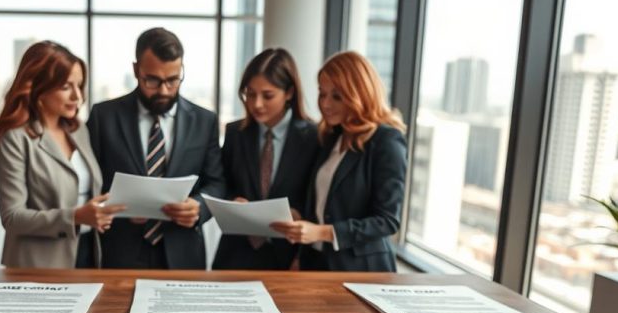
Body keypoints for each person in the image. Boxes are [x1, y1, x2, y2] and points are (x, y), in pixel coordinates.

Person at [88, 27, 225, 269]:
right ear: (136, 70)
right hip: (120, 251)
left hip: (183, 252)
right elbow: (90, 182)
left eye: (173, 80)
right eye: (152, 80)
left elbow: (217, 182)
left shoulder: (205, 121)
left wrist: (198, 208)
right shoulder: (104, 116)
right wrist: (114, 208)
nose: (163, 90)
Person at [270, 51, 407, 272]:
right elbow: (325, 205)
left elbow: (387, 220)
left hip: (362, 270)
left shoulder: (386, 140)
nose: (325, 104)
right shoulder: (331, 137)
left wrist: (322, 232)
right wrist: (300, 219)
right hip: (316, 264)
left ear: (359, 94)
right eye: (322, 94)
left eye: (336, 96)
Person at [0, 41, 124, 269]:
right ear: (38, 88)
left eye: (79, 85)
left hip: (87, 253)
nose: (77, 96)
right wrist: (75, 216)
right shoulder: (16, 138)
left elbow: (87, 191)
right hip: (38, 264)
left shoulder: (78, 130)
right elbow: (12, 218)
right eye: (65, 87)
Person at [212, 48, 319, 270]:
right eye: (250, 94)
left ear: (289, 92)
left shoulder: (314, 137)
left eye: (267, 95)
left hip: (289, 256)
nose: (256, 104)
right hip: (235, 254)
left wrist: (299, 214)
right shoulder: (235, 133)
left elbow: (320, 198)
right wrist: (233, 200)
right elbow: (221, 181)